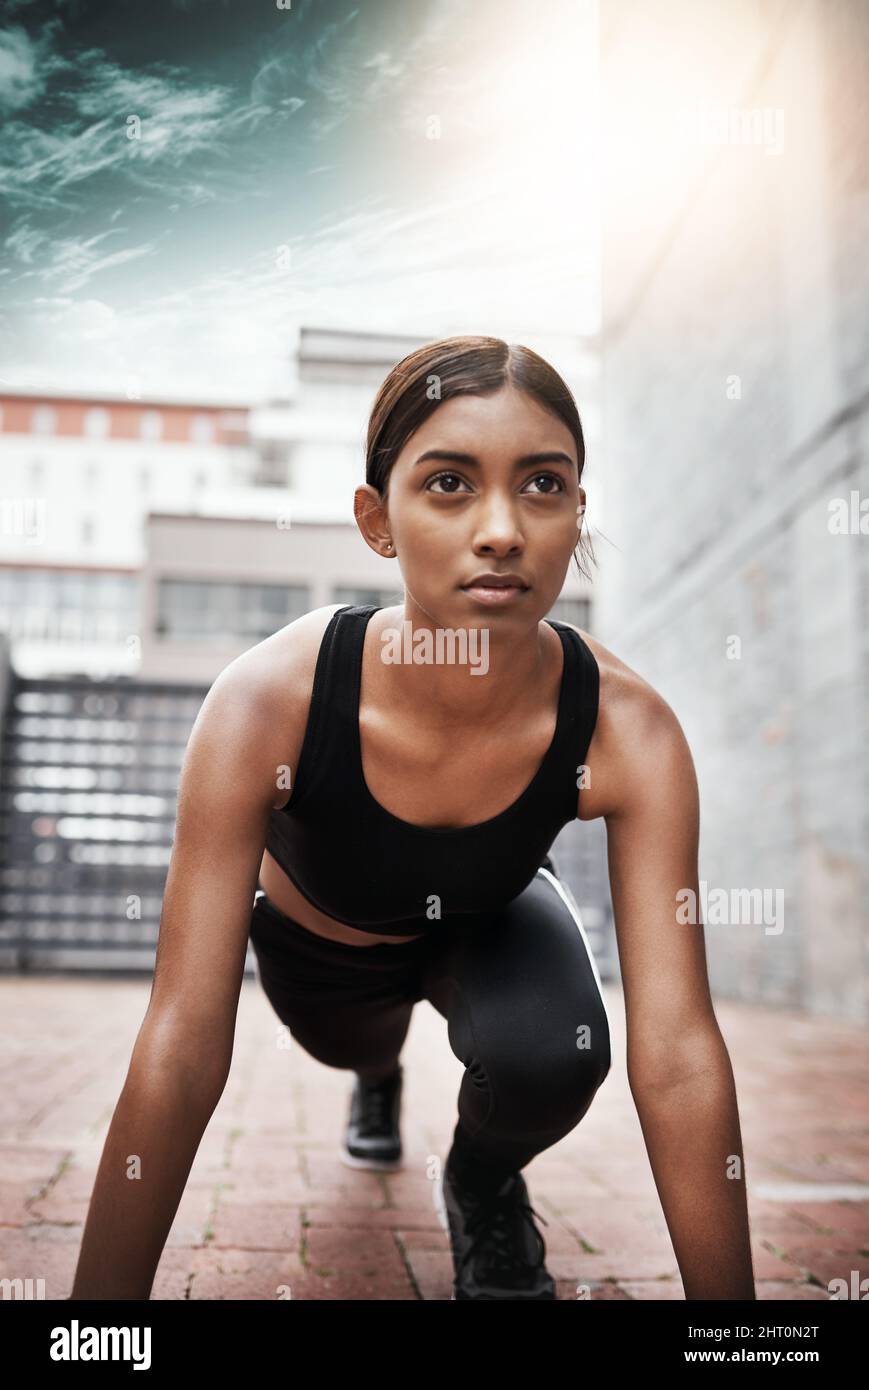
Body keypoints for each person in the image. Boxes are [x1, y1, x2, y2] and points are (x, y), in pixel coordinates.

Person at [71, 335, 755, 1302]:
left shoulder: (628, 729)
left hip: (491, 923)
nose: (502, 530)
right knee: (357, 1045)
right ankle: (379, 1074)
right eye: (447, 484)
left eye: (543, 486)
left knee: (553, 1054)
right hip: (326, 960)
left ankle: (479, 1181)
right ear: (376, 521)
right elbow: (182, 1034)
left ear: (574, 514)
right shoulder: (271, 699)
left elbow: (680, 1048)